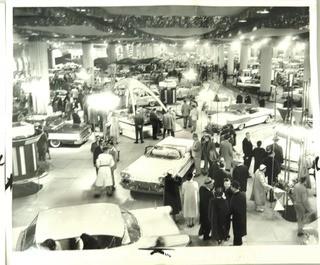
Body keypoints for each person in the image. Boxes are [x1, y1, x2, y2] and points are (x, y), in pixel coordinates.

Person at [229, 180, 247, 246]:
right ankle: (238, 243)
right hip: (242, 217)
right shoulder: (243, 194)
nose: (230, 188)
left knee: (236, 232)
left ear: (234, 187)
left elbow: (231, 209)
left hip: (236, 218)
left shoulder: (234, 197)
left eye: (231, 187)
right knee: (239, 233)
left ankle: (236, 245)